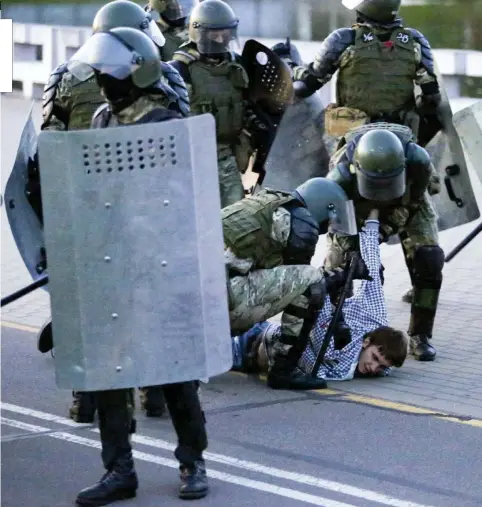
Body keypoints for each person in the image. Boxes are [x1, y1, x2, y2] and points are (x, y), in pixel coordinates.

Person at [67, 27, 209, 506]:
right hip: (115, 259)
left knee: (173, 366)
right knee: (111, 368)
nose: (104, 80)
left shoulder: (165, 119)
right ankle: (119, 470)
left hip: (161, 258)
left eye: (110, 72)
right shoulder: (104, 118)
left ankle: (193, 459)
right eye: (101, 72)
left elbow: (181, 195)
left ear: (137, 71)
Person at [36, 0, 187, 422]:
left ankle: (85, 399)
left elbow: (48, 151)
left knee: (88, 307)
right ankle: (153, 392)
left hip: (87, 206)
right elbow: (184, 151)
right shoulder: (166, 76)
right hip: (145, 208)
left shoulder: (65, 76)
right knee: (149, 299)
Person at [223, 176, 375, 391]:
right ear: (325, 206)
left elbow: (281, 276)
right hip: (224, 301)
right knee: (311, 281)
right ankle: (284, 370)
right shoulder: (301, 225)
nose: (326, 226)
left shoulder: (269, 204)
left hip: (209, 292)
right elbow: (309, 286)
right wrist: (341, 277)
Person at [231, 210, 409, 380]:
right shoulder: (373, 320)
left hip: (255, 353)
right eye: (375, 358)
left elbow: (319, 336)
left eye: (382, 367)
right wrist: (372, 220)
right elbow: (373, 278)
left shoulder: (346, 368)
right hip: (252, 340)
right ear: (367, 342)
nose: (373, 368)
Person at [321, 123, 443, 362]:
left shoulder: (418, 162)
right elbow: (337, 225)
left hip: (405, 199)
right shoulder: (340, 177)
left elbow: (412, 203)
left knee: (430, 259)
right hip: (355, 202)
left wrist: (385, 230)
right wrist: (360, 254)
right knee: (339, 266)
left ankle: (420, 334)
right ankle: (334, 326)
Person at [273, 0, 440, 141]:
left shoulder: (344, 39)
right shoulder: (415, 41)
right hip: (401, 138)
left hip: (353, 137)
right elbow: (432, 98)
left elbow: (307, 85)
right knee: (426, 175)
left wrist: (292, 65)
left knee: (335, 178)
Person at [170, 0, 254, 207]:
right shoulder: (180, 69)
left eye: (225, 34)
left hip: (230, 157)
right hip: (194, 160)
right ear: (199, 33)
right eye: (214, 34)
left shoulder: (238, 65)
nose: (220, 39)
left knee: (235, 219)